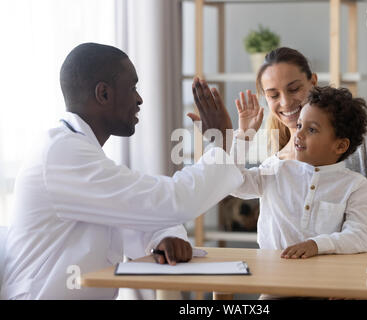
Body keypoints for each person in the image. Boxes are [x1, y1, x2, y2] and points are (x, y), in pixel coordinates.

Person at [1, 43, 243, 300]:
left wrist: (164, 236)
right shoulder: (63, 153)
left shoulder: (78, 152)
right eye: (132, 88)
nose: (139, 99)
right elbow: (172, 200)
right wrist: (221, 142)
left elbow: (136, 213)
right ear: (103, 94)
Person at [234, 47, 367, 254]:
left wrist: (360, 276)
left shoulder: (363, 151)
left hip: (342, 281)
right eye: (273, 95)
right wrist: (243, 136)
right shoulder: (275, 163)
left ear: (313, 82)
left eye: (294, 89)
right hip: (275, 280)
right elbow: (233, 182)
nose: (285, 102)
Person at [231, 85, 367, 259]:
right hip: (270, 275)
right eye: (299, 125)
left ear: (340, 145)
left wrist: (316, 245)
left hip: (322, 280)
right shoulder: (276, 169)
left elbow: (359, 237)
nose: (298, 134)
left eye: (312, 129)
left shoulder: (356, 186)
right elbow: (234, 184)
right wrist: (244, 137)